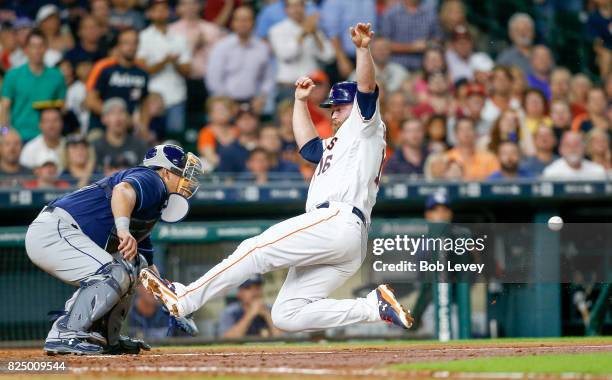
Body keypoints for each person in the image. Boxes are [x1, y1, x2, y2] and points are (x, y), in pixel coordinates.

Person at [140, 23, 414, 334]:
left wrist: (362, 51)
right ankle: (371, 307)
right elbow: (309, 148)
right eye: (332, 108)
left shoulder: (365, 127)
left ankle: (185, 298)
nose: (333, 114)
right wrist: (299, 103)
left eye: (338, 108)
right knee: (287, 314)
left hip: (338, 218)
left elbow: (366, 87)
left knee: (255, 250)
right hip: (345, 236)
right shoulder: (339, 143)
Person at [26, 143, 201, 354]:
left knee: (135, 265)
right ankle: (65, 332)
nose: (187, 182)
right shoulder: (153, 180)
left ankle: (105, 337)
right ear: (165, 172)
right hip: (54, 229)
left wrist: (173, 303)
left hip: (61, 232)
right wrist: (123, 229)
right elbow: (122, 190)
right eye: (181, 174)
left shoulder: (151, 206)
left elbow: (147, 271)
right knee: (112, 271)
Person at [0, 30, 66, 142]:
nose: (37, 50)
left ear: (46, 48)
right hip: (19, 137)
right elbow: (4, 108)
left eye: (41, 46)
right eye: (33, 46)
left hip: (47, 138)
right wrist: (5, 133)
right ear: (26, 49)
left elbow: (61, 109)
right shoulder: (13, 75)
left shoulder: (57, 76)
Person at [138, 0, 191, 134]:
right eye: (157, 10)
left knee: (175, 138)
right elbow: (142, 69)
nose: (161, 13)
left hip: (176, 96)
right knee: (151, 136)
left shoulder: (179, 38)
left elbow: (187, 70)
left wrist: (174, 63)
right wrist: (165, 61)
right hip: (152, 95)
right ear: (150, 13)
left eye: (164, 9)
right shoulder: (143, 37)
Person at [206, 6, 274, 111]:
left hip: (254, 102)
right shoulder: (221, 47)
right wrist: (226, 101)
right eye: (239, 20)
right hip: (227, 102)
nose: (243, 24)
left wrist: (262, 97)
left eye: (246, 20)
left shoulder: (262, 48)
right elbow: (214, 79)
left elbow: (268, 78)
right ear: (233, 23)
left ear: (253, 22)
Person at [169, 0, 224, 126]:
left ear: (200, 6)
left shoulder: (212, 29)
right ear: (179, 8)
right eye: (185, 4)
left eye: (193, 3)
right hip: (181, 82)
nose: (190, 7)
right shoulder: (172, 31)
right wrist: (194, 46)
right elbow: (174, 59)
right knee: (181, 123)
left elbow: (220, 59)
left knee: (207, 122)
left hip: (207, 82)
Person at [268, 0, 335, 101]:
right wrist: (303, 33)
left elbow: (329, 56)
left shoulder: (314, 29)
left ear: (304, 8)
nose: (296, 10)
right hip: (289, 87)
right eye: (292, 6)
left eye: (299, 5)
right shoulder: (276, 30)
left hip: (312, 88)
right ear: (286, 10)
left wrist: (315, 34)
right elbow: (286, 55)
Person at [85, 28, 149, 131]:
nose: (131, 47)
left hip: (128, 131)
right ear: (118, 46)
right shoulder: (103, 67)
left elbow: (145, 103)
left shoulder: (142, 72)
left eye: (134, 43)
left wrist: (143, 126)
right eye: (126, 43)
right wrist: (116, 118)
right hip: (100, 127)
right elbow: (90, 101)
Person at [319, 0, 377, 78]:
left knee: (368, 88)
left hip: (367, 54)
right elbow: (332, 33)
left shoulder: (370, 2)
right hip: (345, 57)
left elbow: (373, 28)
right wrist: (342, 60)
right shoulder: (333, 2)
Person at [379, 0, 442, 71]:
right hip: (396, 67)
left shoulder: (430, 13)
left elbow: (438, 41)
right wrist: (411, 47)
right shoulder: (391, 13)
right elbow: (383, 44)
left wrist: (427, 44)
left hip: (424, 68)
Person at [92, 98, 149, 172]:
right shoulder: (95, 147)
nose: (118, 118)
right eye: (112, 113)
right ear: (103, 119)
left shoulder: (140, 145)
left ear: (127, 118)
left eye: (121, 112)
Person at [218, 275, 283, 339]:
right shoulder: (230, 312)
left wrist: (267, 315)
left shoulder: (272, 309)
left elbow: (284, 338)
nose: (254, 292)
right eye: (248, 288)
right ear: (239, 293)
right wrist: (250, 314)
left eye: (257, 288)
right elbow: (227, 339)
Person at [542, 131, 607, 180]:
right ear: (561, 149)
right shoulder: (551, 173)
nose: (572, 149)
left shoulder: (598, 171)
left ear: (584, 148)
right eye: (568, 145)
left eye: (576, 145)